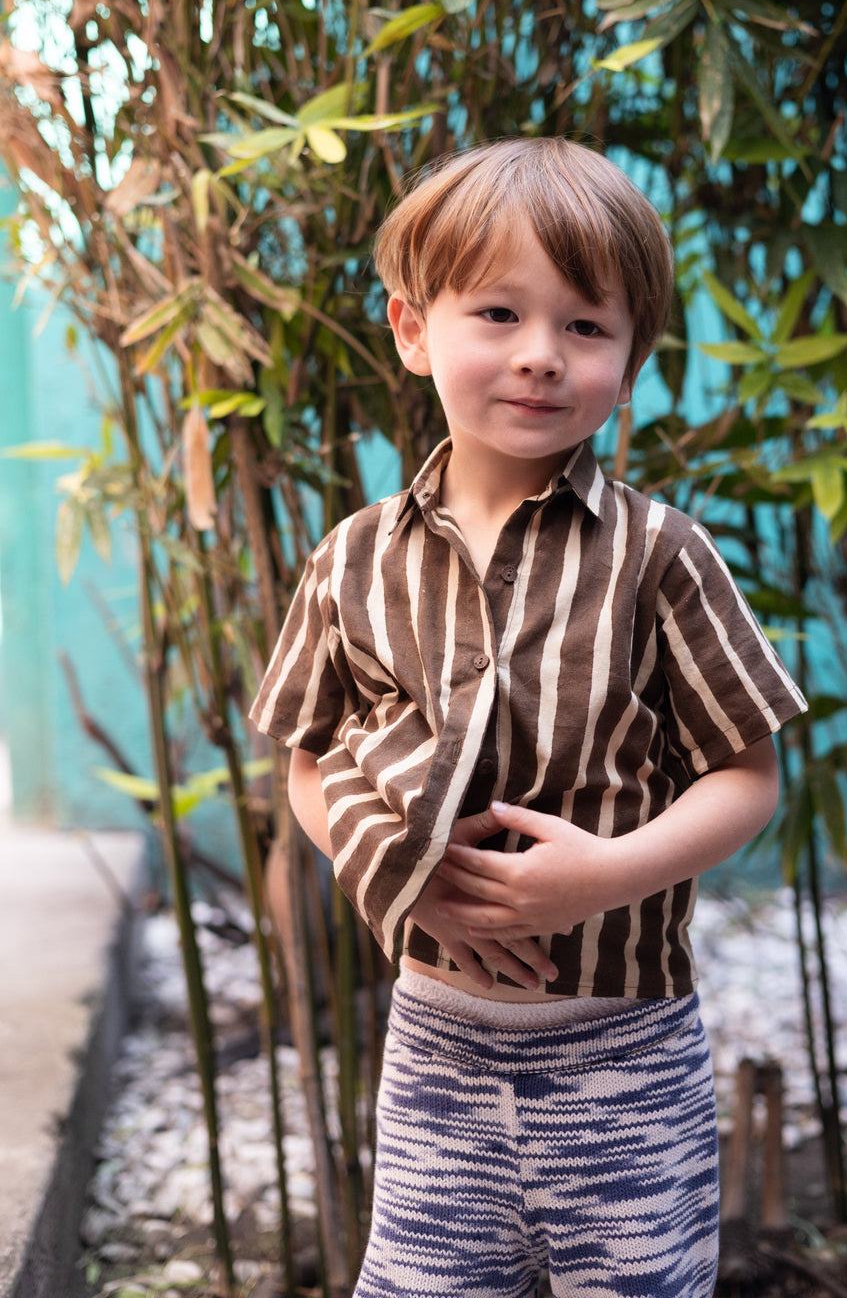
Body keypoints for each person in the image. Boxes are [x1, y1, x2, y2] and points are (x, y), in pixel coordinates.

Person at [250, 137, 808, 1298]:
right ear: (413, 330)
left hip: (624, 1056)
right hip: (437, 1048)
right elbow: (307, 754)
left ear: (630, 361)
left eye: (585, 326)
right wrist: (394, 865)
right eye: (498, 313)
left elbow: (746, 776)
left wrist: (603, 876)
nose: (541, 354)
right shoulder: (353, 559)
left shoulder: (659, 556)